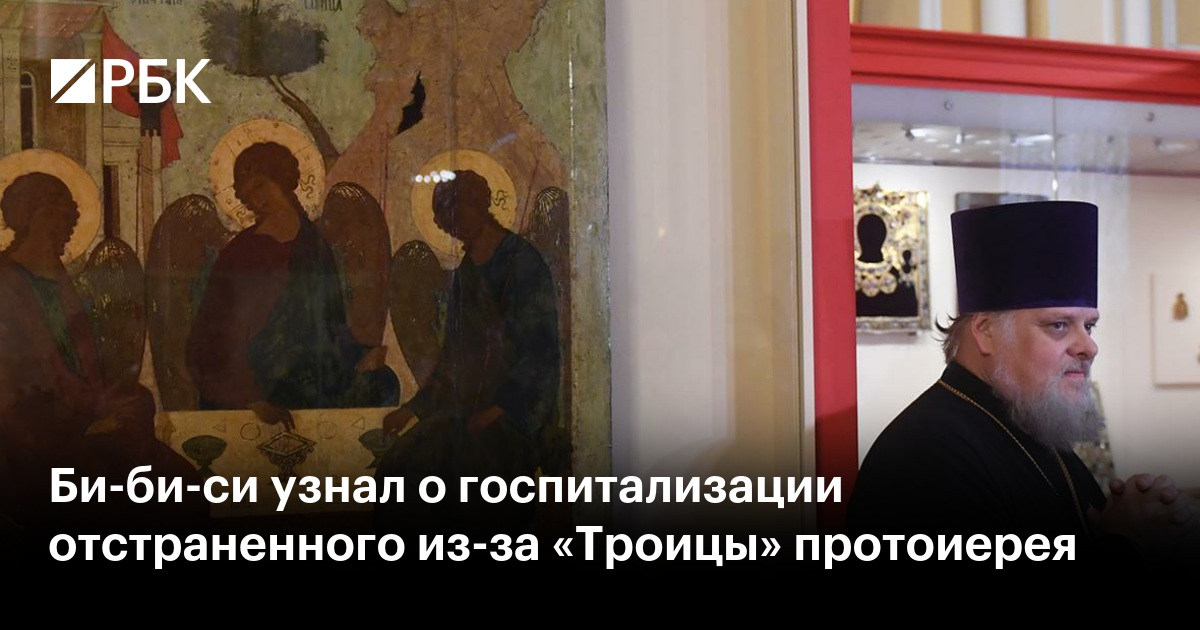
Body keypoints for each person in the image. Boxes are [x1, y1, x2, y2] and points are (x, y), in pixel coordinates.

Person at [848, 200, 1198, 567]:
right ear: (985, 331)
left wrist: (1143, 516)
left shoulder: (1030, 427)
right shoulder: (924, 457)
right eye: (1058, 325)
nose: (1089, 347)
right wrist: (1128, 545)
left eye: (1089, 326)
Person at [0, 172, 206, 537]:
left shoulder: (56, 278)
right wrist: (85, 424)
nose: (69, 229)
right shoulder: (6, 283)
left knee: (179, 476)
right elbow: (13, 393)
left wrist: (107, 406)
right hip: (41, 441)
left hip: (83, 418)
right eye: (63, 218)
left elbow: (85, 367)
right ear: (39, 217)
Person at [375, 169, 560, 537]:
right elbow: (452, 359)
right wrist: (414, 408)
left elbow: (540, 352)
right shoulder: (466, 273)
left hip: (514, 414)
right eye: (444, 217)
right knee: (398, 468)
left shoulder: (522, 262)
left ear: (478, 205)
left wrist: (499, 409)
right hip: (463, 411)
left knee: (473, 481)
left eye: (454, 211)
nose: (450, 224)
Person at [186, 142, 398, 429]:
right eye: (247, 193)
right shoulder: (242, 251)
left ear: (281, 178)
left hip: (312, 365)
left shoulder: (313, 243)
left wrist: (360, 355)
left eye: (260, 185)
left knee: (382, 382)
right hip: (256, 371)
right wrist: (250, 397)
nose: (256, 199)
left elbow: (331, 320)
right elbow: (216, 333)